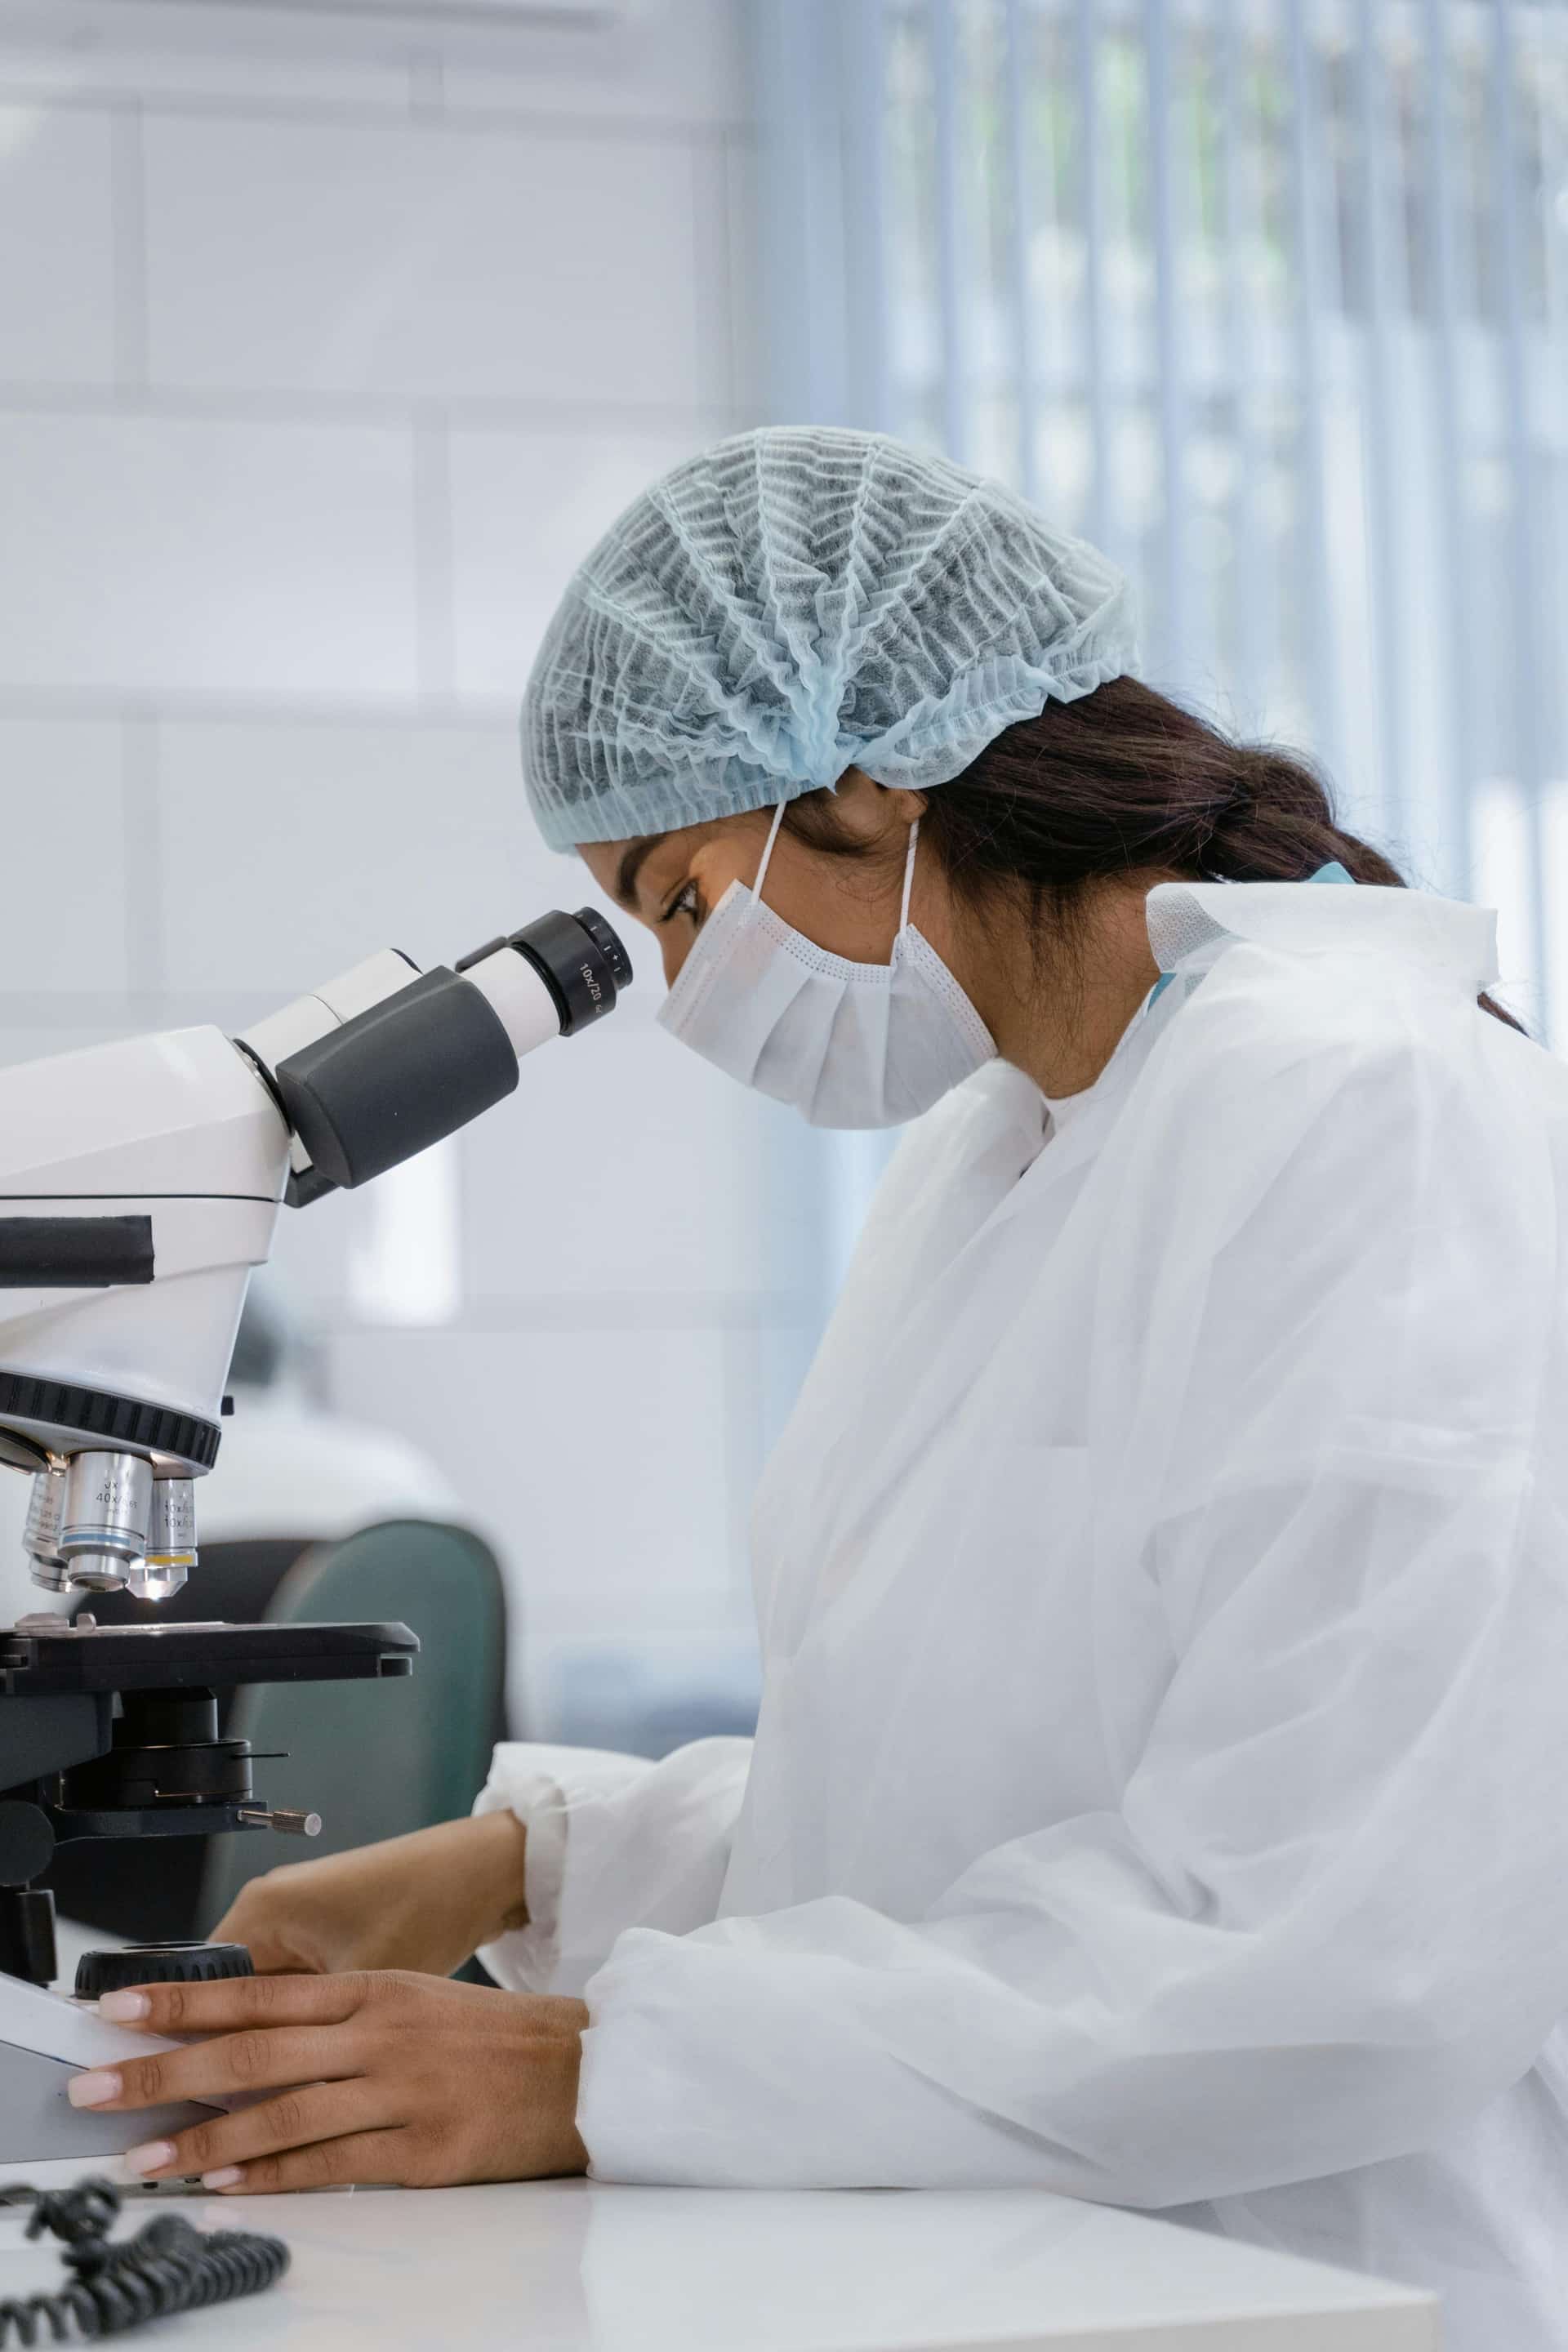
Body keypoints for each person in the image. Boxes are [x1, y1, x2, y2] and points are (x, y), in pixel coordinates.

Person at [69, 429, 1568, 2352]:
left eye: (685, 899)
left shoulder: (1372, 1114)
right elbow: (958, 1787)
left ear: (870, 775)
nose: (690, 996)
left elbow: (1337, 1940)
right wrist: (524, 1861)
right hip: (1047, 2269)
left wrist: (581, 2070)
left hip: (1328, 2282)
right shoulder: (1010, 1152)